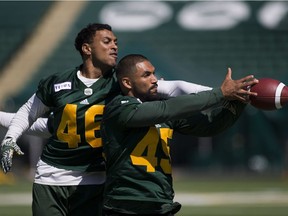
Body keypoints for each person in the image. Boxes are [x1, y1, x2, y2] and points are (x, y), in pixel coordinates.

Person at [0, 23, 214, 216]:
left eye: (116, 42)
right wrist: (10, 138)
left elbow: (177, 87)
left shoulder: (122, 82)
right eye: (107, 41)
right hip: (52, 174)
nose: (114, 46)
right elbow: (31, 114)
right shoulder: (58, 82)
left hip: (96, 177)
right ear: (87, 48)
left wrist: (225, 94)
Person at [100, 54, 258, 216]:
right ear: (127, 82)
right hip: (125, 202)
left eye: (153, 73)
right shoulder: (118, 108)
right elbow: (166, 109)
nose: (155, 79)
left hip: (160, 201)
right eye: (146, 75)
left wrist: (239, 102)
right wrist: (220, 93)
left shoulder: (159, 107)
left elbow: (211, 126)